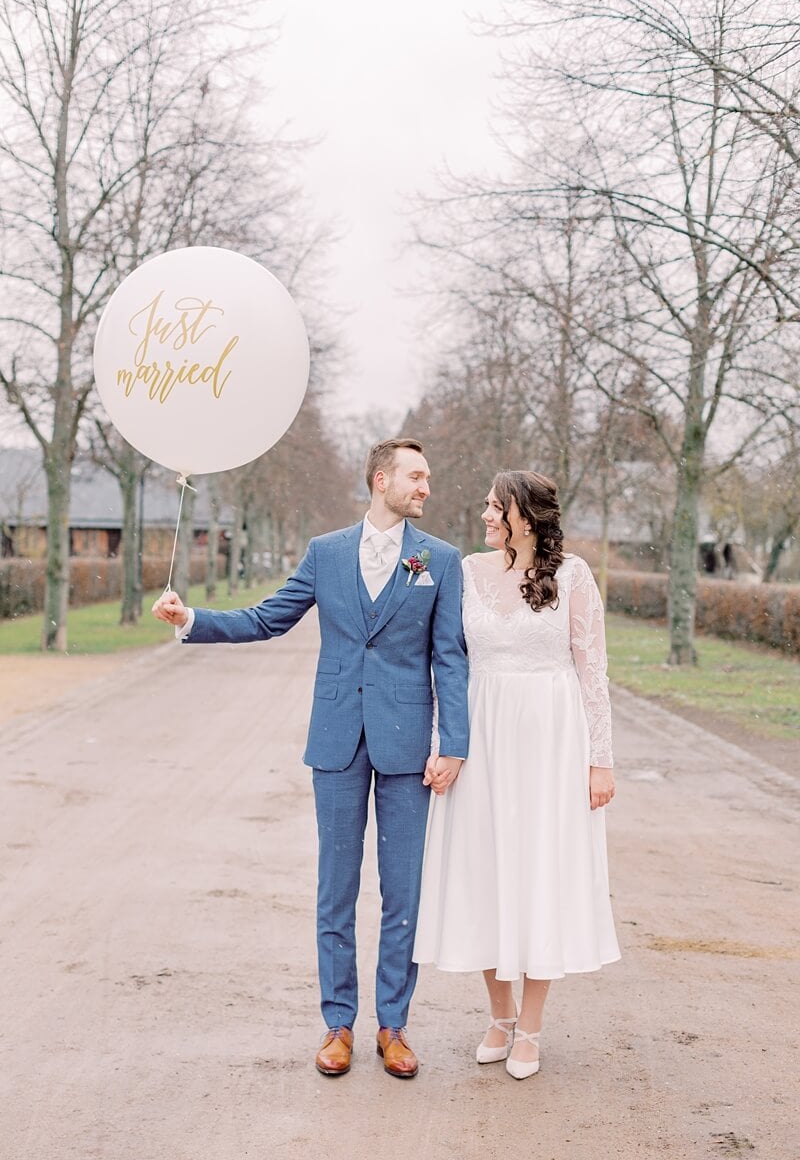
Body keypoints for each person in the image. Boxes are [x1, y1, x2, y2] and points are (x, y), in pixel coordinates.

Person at [152, 439, 468, 1079]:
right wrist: (193, 619)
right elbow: (269, 619)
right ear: (382, 480)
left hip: (409, 745)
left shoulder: (440, 559)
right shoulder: (325, 553)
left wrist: (454, 743)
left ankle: (393, 1026)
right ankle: (338, 1024)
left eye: (427, 478)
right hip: (337, 739)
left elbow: (450, 657)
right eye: (416, 476)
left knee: (403, 889)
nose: (425, 487)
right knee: (337, 887)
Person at [413, 470, 620, 1080]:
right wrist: (443, 744)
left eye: (493, 507)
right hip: (483, 734)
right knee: (486, 871)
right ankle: (498, 1015)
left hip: (551, 739)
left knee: (540, 873)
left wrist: (600, 760)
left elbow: (593, 672)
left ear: (524, 516)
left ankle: (531, 1026)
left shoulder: (574, 575)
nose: (484, 515)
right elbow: (448, 665)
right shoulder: (468, 572)